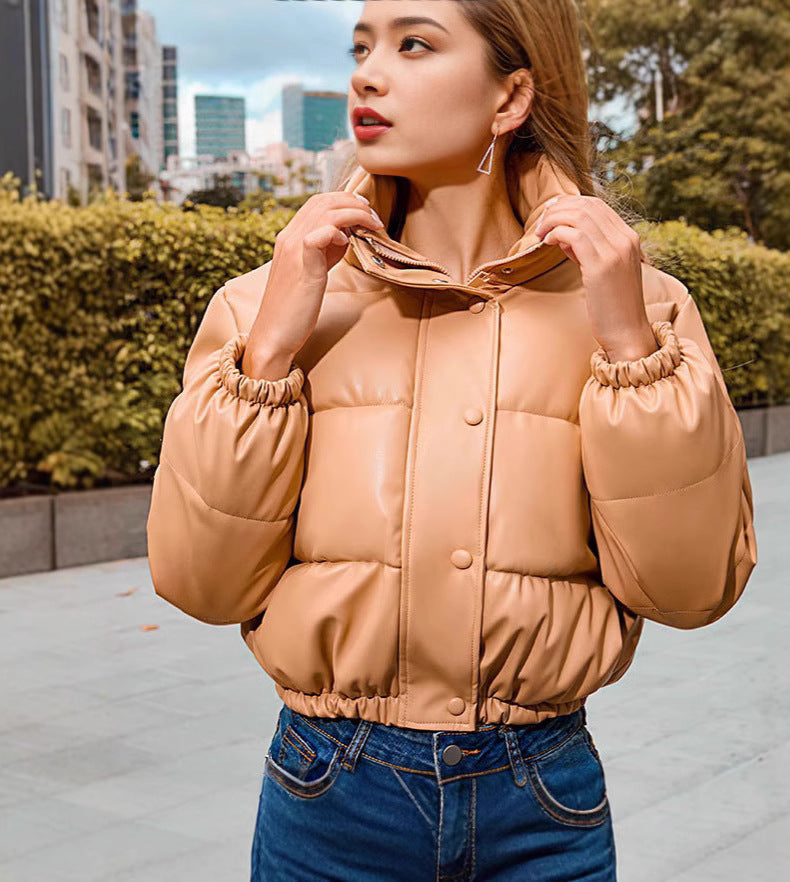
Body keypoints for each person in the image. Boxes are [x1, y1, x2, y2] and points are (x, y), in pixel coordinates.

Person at [145, 1, 758, 879]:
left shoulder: (641, 309)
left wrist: (631, 355)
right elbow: (200, 583)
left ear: (511, 97)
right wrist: (271, 354)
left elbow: (690, 588)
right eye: (361, 46)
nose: (366, 71)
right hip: (328, 793)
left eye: (414, 43)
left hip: (542, 801)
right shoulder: (268, 304)